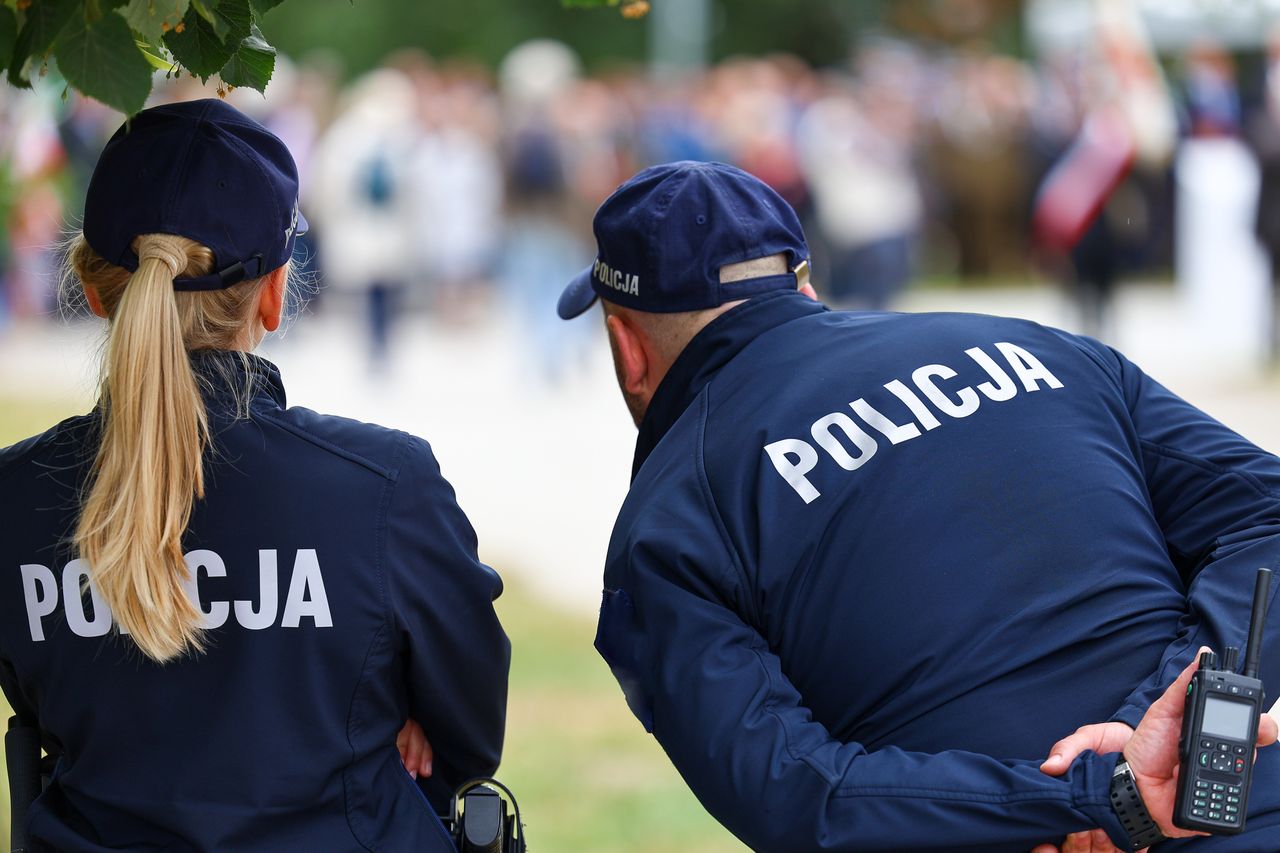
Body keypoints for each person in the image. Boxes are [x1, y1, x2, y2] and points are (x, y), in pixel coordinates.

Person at [556, 160, 1280, 851]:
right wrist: (1164, 727)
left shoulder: (668, 520)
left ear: (628, 348)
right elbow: (1267, 517)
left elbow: (796, 793)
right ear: (802, 287)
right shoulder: (1039, 347)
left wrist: (1093, 798)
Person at [0, 99, 510, 852]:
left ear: (96, 286)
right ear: (274, 293)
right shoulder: (382, 485)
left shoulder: (16, 495)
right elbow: (469, 731)